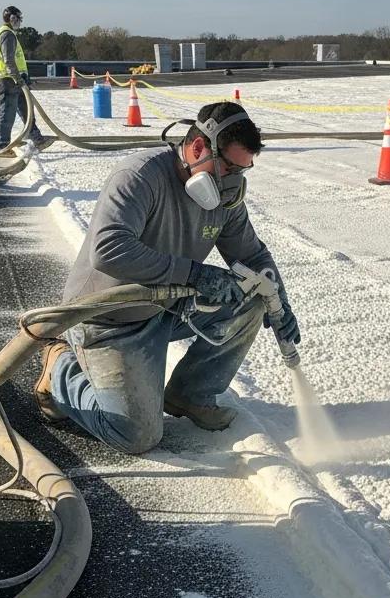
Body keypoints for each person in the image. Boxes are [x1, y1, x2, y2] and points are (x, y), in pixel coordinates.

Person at [33, 101, 300, 455]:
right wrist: (194, 274)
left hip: (166, 307)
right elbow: (108, 249)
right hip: (108, 318)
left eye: (242, 170)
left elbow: (252, 258)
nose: (233, 181)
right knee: (136, 434)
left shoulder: (224, 198)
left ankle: (189, 394)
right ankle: (60, 369)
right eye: (228, 167)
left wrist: (279, 303)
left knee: (251, 298)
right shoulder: (141, 176)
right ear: (199, 147)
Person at [0, 5, 52, 151]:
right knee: (8, 114)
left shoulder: (8, 33)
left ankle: (36, 138)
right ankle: (2, 145)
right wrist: (18, 79)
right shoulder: (7, 35)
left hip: (15, 80)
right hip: (9, 80)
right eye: (18, 19)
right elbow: (8, 61)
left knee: (26, 110)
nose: (20, 22)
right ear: (12, 18)